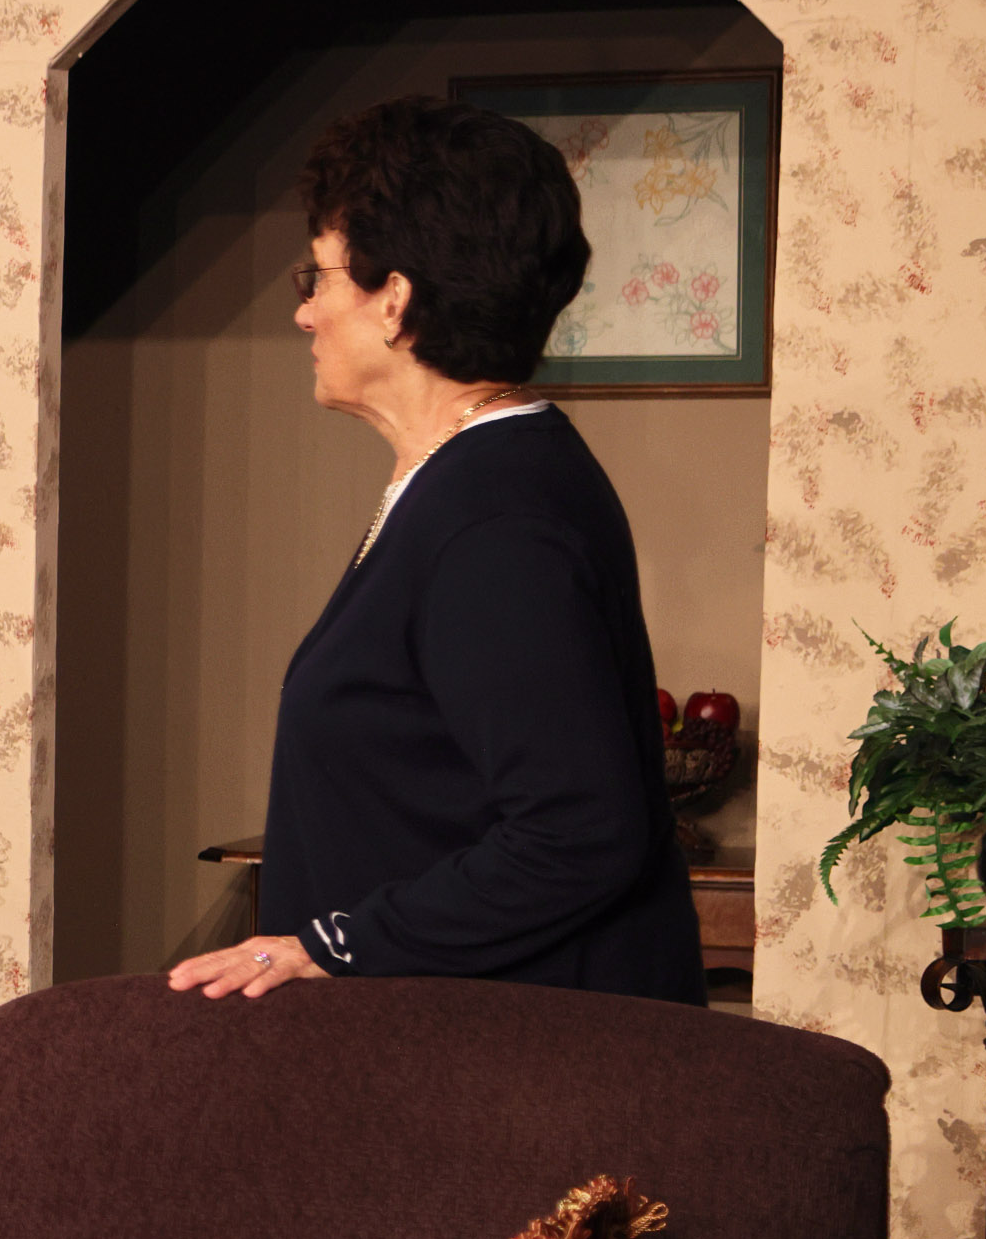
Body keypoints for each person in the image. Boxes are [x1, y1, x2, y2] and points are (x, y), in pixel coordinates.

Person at [168, 95, 701, 1006]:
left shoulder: (496, 518)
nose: (304, 313)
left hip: (509, 1060)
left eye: (319, 277)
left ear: (395, 299)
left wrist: (334, 946)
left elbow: (577, 832)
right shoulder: (471, 479)